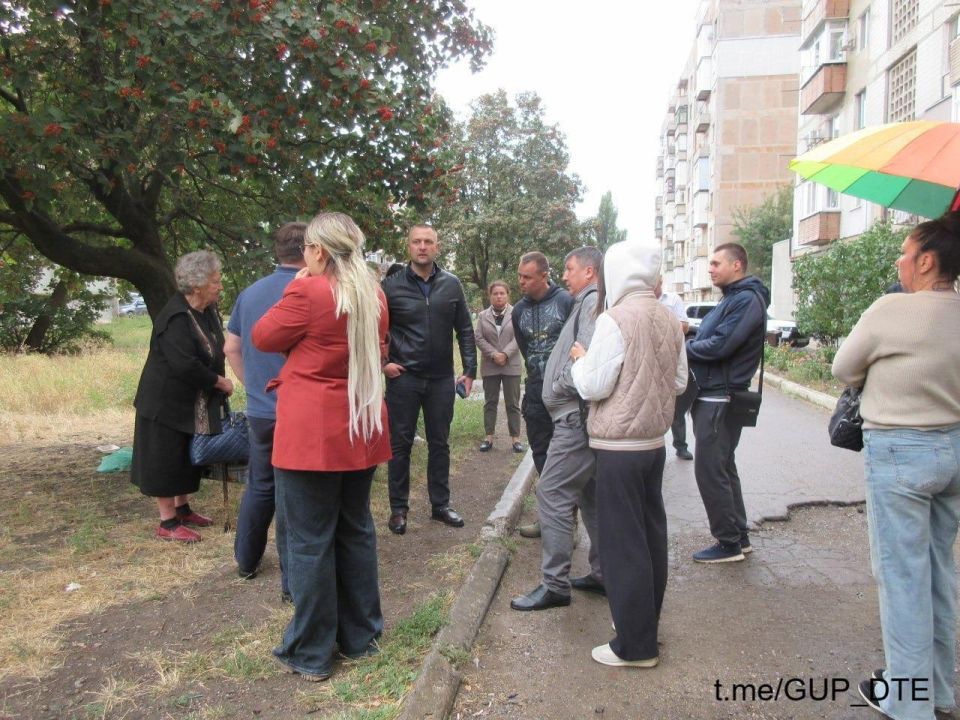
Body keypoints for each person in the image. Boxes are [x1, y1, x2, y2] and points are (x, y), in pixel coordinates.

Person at [252, 211, 391, 682]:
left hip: (313, 433)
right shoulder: (373, 293)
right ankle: (361, 637)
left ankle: (311, 651)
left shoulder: (308, 291)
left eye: (309, 248)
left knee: (309, 540)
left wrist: (299, 289)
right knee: (355, 531)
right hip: (361, 426)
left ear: (317, 251)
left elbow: (263, 336)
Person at [832, 213, 960, 720]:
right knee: (938, 571)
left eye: (904, 253)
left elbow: (844, 367)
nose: (899, 262)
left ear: (926, 261)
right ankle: (939, 691)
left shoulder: (892, 309)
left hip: (901, 452)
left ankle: (908, 703)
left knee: (903, 578)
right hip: (954, 449)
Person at [569, 240, 687, 668]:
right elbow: (679, 382)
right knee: (651, 538)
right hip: (654, 446)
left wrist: (580, 360)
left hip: (618, 448)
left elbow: (593, 385)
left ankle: (635, 646)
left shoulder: (614, 319)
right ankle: (644, 627)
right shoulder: (668, 317)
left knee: (622, 545)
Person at [510, 246, 604, 611]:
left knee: (550, 492)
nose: (565, 276)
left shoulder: (588, 302)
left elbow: (586, 359)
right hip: (567, 411)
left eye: (570, 269)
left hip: (573, 416)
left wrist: (559, 383)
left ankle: (555, 585)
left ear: (589, 272)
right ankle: (603, 574)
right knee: (590, 493)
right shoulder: (584, 301)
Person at [224, 222, 306, 593]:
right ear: (310, 250)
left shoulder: (250, 294)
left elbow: (231, 348)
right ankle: (294, 580)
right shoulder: (311, 290)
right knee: (297, 493)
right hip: (301, 410)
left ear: (278, 251)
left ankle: (246, 560)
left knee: (260, 484)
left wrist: (254, 386)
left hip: (261, 410)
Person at [131, 250, 234, 542]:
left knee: (184, 455)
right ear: (197, 285)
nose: (220, 286)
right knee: (165, 457)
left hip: (190, 399)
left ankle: (183, 509)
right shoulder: (175, 316)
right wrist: (218, 382)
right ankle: (167, 522)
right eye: (215, 281)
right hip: (164, 402)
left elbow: (215, 348)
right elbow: (184, 364)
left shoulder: (206, 310)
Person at [382, 224, 477, 535]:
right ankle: (398, 509)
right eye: (416, 242)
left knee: (440, 443)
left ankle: (440, 505)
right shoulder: (391, 285)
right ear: (408, 246)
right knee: (400, 444)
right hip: (404, 378)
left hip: (440, 380)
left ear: (437, 247)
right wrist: (384, 364)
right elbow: (375, 329)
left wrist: (470, 369)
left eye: (428, 242)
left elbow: (465, 329)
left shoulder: (451, 284)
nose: (422, 247)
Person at [685, 243, 768, 563]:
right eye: (710, 263)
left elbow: (720, 345)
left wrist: (683, 348)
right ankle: (738, 536)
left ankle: (728, 543)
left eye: (716, 263)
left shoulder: (746, 299)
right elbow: (713, 337)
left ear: (737, 266)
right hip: (716, 394)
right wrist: (693, 335)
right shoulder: (734, 298)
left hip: (720, 396)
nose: (710, 269)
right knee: (722, 467)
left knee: (710, 470)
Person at [512, 251, 575, 539]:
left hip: (565, 394)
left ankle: (569, 521)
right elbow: (525, 349)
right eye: (519, 276)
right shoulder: (518, 311)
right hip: (536, 392)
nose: (521, 282)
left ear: (544, 276)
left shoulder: (566, 301)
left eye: (527, 277)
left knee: (568, 459)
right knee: (541, 454)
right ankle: (548, 517)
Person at [475, 280, 523, 453]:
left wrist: (505, 354)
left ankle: (516, 439)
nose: (499, 296)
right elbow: (478, 338)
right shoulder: (482, 316)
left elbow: (519, 336)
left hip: (511, 364)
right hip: (490, 364)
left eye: (502, 293)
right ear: (490, 296)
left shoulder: (517, 313)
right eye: (495, 293)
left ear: (508, 295)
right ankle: (488, 438)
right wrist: (494, 354)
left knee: (513, 403)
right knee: (490, 402)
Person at [655, 277, 696, 460]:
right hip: (651, 359)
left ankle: (681, 446)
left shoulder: (672, 300)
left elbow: (684, 327)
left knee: (676, 407)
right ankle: (655, 448)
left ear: (660, 281)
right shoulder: (642, 299)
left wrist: (662, 324)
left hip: (671, 358)